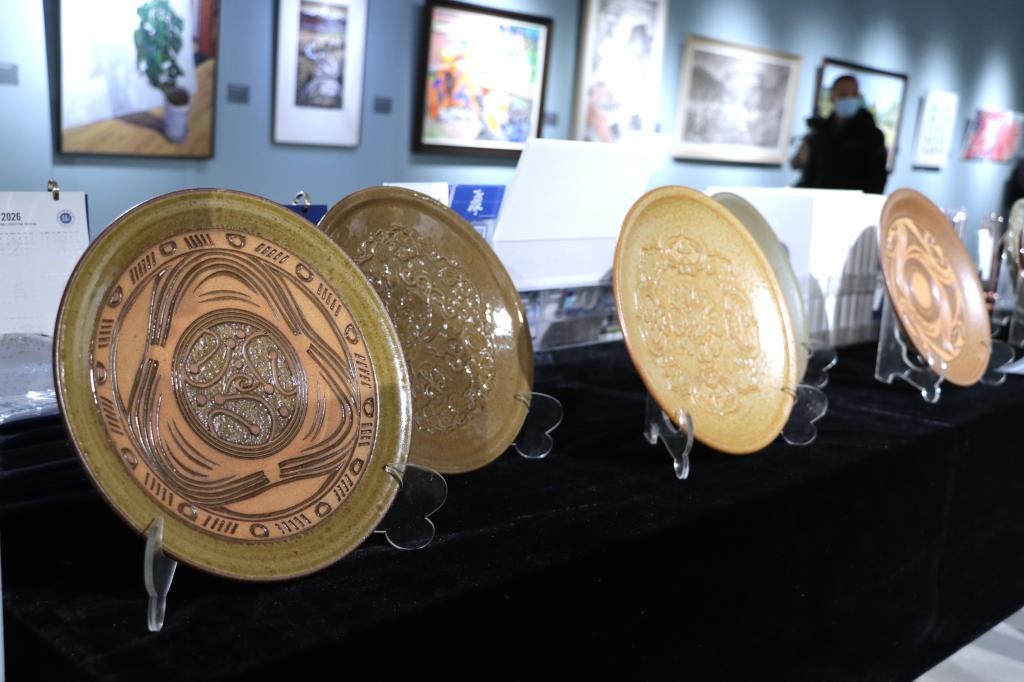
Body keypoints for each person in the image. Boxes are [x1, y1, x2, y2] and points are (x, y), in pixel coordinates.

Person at [792, 75, 889, 193]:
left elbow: (876, 181)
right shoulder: (820, 134)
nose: (849, 99)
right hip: (820, 200)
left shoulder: (872, 137)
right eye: (843, 95)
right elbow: (809, 175)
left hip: (854, 203)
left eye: (853, 95)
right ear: (831, 97)